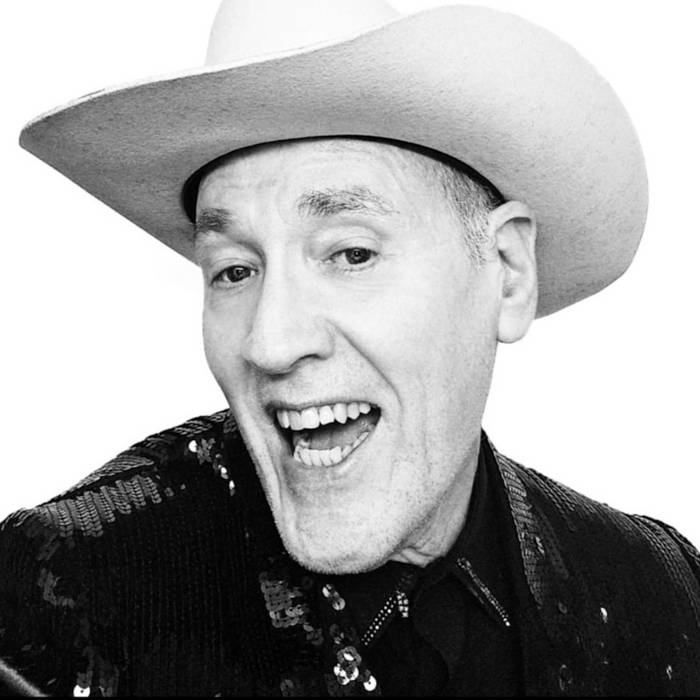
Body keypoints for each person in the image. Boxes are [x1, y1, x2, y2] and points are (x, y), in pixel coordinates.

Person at [1, 0, 699, 696]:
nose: (271, 342)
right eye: (235, 271)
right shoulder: (72, 590)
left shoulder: (664, 595)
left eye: (351, 254)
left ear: (508, 272)